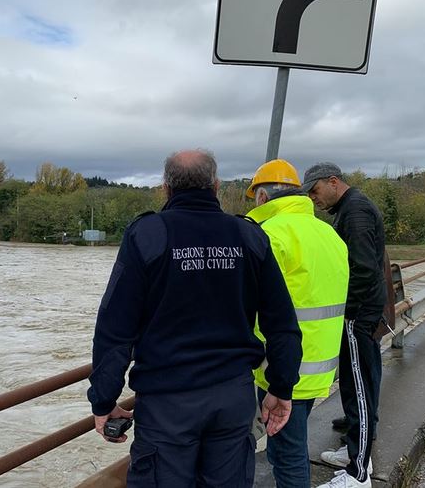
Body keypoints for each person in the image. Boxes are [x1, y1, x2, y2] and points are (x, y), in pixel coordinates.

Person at [87, 149, 303, 487]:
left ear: (165, 188)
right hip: (233, 396)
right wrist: (282, 385)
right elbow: (282, 322)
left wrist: (103, 399)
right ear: (216, 185)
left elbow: (115, 329)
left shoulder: (147, 235)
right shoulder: (248, 235)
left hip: (167, 402)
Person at [245, 159, 349, 488]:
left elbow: (245, 302)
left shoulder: (269, 234)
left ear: (262, 198)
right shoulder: (328, 234)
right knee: (286, 446)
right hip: (318, 366)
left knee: (284, 452)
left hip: (277, 367)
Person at [301, 163, 386, 488]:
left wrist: (345, 312)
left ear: (333, 182)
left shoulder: (356, 212)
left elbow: (363, 269)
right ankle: (355, 449)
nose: (312, 198)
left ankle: (359, 473)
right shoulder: (351, 208)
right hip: (363, 312)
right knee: (357, 381)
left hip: (358, 314)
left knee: (360, 385)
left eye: (315, 190)